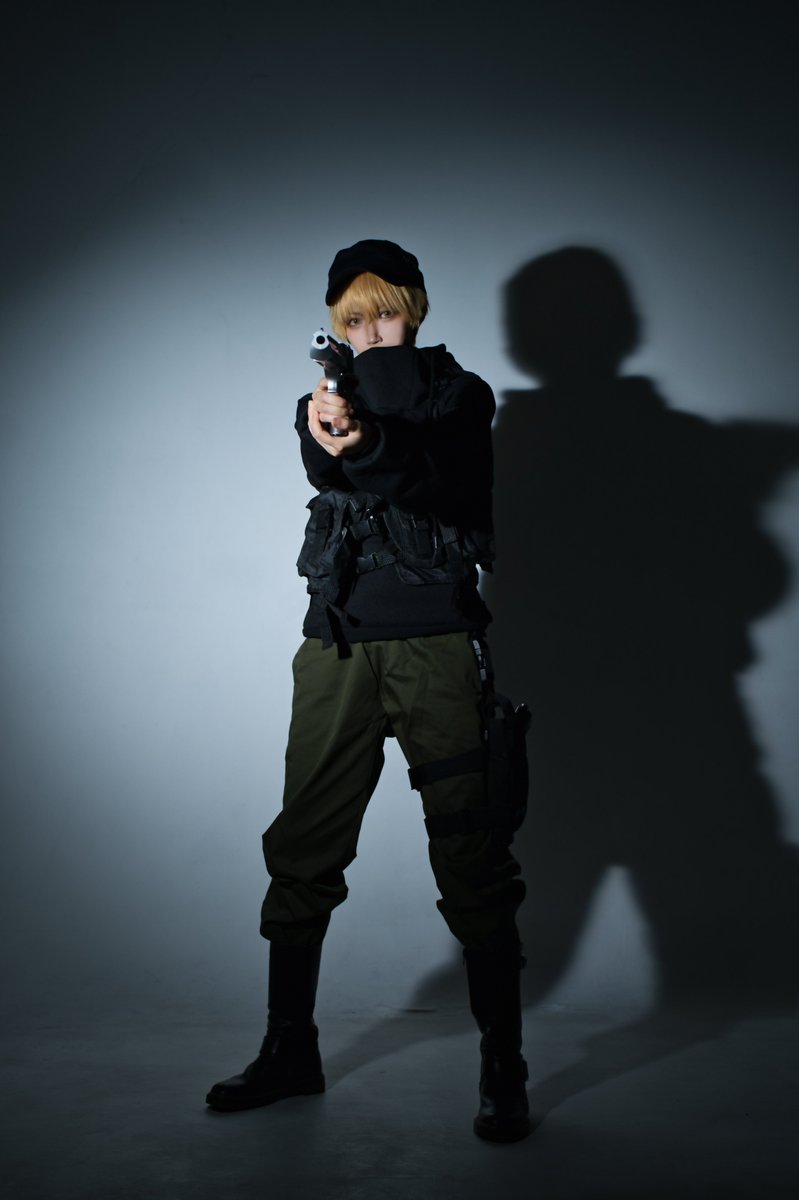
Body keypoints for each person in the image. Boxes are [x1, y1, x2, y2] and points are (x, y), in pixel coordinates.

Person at [205, 239, 530, 1142]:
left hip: (436, 648)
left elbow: (428, 479)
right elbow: (329, 473)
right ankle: (288, 1049)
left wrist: (368, 432)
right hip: (338, 648)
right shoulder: (323, 403)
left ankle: (503, 1062)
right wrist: (331, 426)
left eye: (385, 311)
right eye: (353, 319)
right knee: (302, 846)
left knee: (471, 852)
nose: (371, 331)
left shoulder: (460, 397)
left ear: (414, 308)